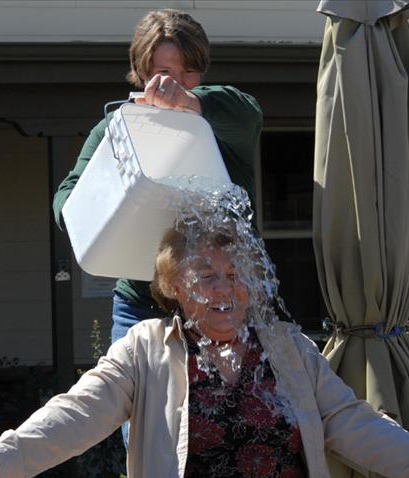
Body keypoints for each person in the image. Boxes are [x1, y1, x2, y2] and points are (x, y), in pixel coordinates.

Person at [0, 208, 409, 478]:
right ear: (173, 286)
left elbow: (352, 421)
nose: (224, 289)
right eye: (207, 276)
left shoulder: (289, 349)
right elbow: (80, 410)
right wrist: (1, 457)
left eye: (235, 275)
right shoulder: (146, 349)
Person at [52, 8, 263, 345]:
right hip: (141, 303)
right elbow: (68, 195)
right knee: (138, 397)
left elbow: (247, 112)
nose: (174, 83)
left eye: (189, 72)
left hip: (224, 298)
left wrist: (190, 102)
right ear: (142, 71)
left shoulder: (223, 120)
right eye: (164, 71)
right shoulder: (114, 129)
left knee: (235, 397)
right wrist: (95, 211)